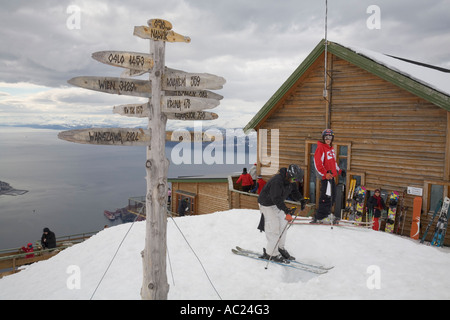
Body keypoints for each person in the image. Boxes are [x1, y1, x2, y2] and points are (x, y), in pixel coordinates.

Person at [257, 164, 306, 263]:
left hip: (276, 204)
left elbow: (294, 191)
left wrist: (301, 199)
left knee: (283, 226)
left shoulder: (289, 180)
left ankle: (280, 248)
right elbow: (276, 198)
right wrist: (286, 210)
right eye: (295, 179)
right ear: (289, 175)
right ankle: (271, 253)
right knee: (273, 228)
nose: (295, 182)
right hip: (267, 205)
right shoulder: (277, 181)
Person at [312, 129, 346, 223]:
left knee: (332, 196)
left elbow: (333, 162)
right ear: (323, 138)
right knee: (326, 197)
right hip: (326, 178)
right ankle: (321, 216)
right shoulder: (321, 148)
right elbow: (317, 164)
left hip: (331, 177)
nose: (328, 139)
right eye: (326, 137)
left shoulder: (330, 148)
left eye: (330, 137)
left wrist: (339, 171)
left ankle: (326, 213)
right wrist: (325, 173)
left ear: (332, 138)